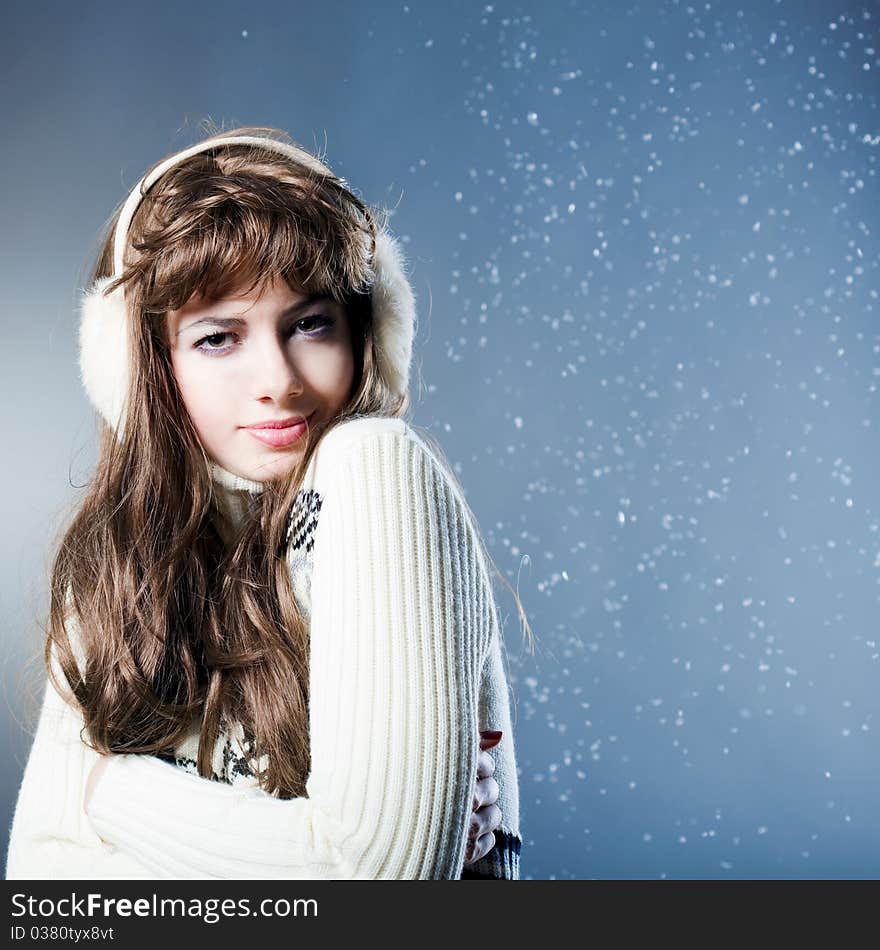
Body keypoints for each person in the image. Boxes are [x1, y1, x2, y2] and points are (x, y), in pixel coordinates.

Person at [5, 126, 529, 880]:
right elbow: (45, 894)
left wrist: (107, 799)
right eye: (219, 338)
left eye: (310, 324)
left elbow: (371, 879)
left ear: (367, 332)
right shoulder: (118, 561)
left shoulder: (373, 469)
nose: (277, 380)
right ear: (144, 367)